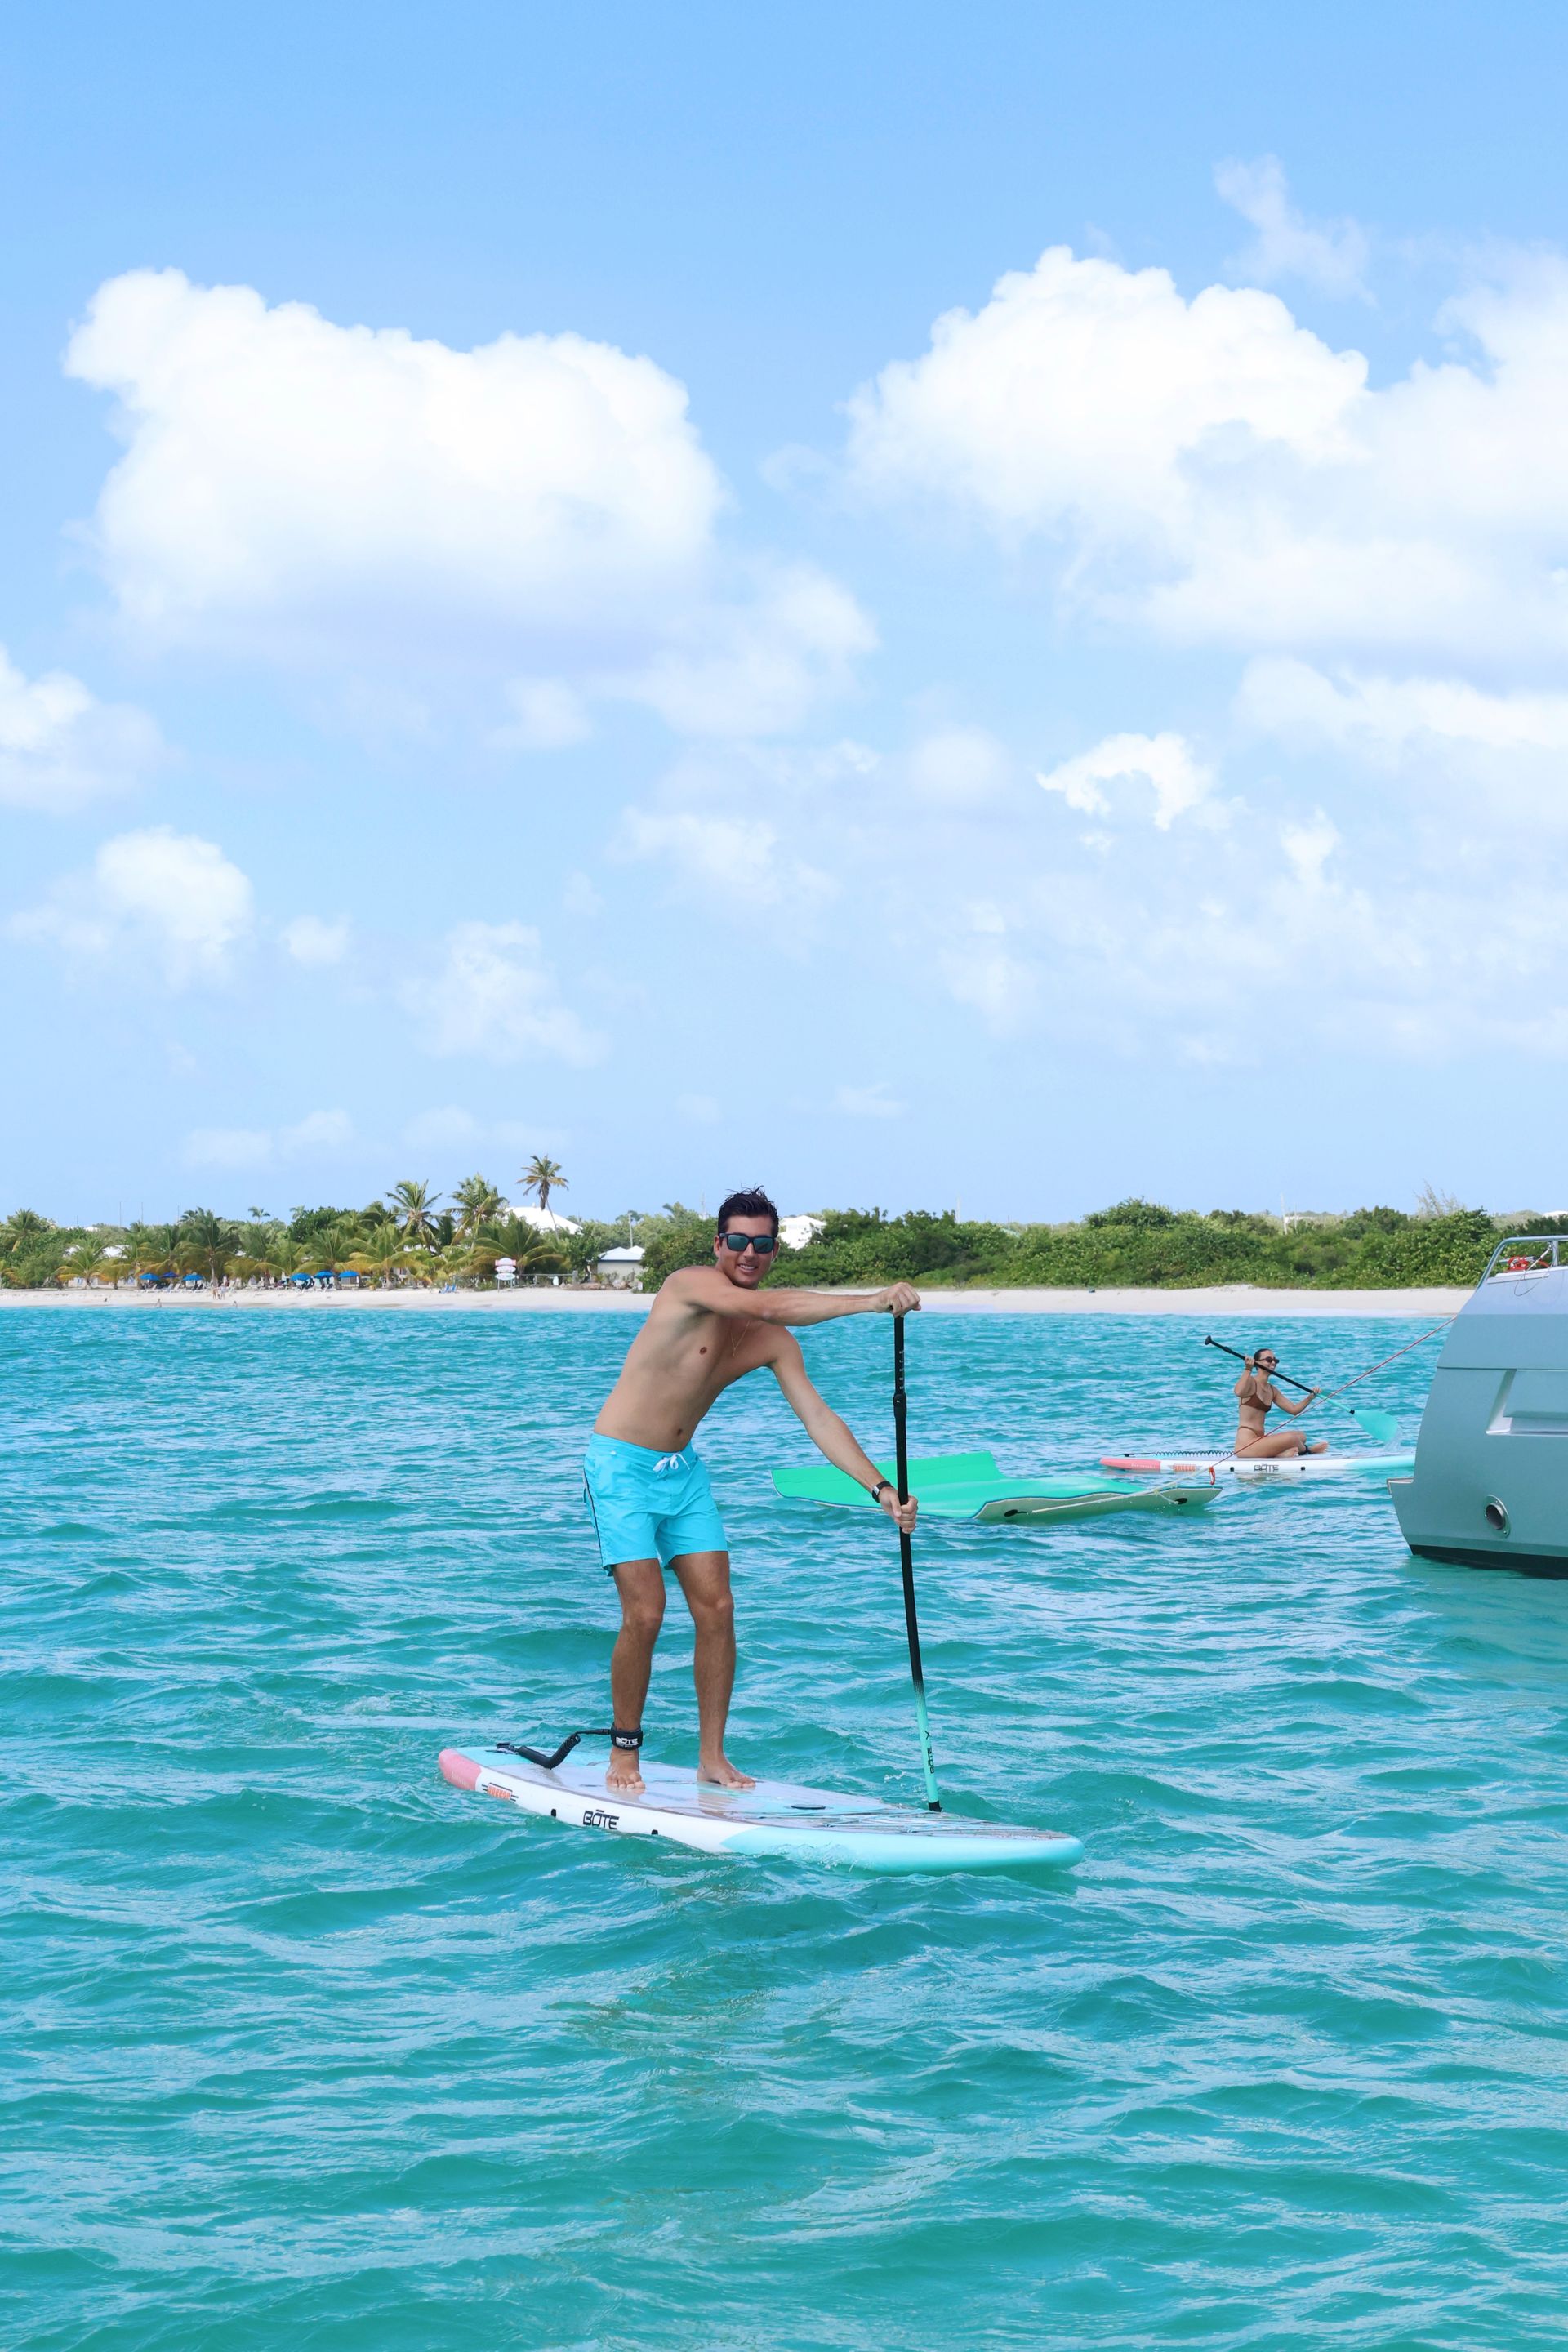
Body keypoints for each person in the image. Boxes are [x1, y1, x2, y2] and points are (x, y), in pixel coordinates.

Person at [584, 1187, 920, 1796]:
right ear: (719, 1245)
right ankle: (624, 1749)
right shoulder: (688, 1287)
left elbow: (819, 1418)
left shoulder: (772, 1342)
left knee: (717, 1609)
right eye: (737, 1241)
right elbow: (771, 1306)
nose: (748, 1253)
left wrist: (881, 1488)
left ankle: (712, 1757)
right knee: (647, 1613)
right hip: (620, 1467)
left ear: (772, 1252)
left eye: (762, 1245)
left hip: (682, 1473)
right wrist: (871, 1302)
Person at [1233, 1347, 1327, 1459]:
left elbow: (1293, 1410)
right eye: (1269, 1360)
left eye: (1275, 1360)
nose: (1273, 1363)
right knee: (1292, 1438)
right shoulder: (1251, 1382)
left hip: (1260, 1440)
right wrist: (1248, 1369)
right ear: (1257, 1363)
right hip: (1245, 1445)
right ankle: (1309, 1450)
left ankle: (1279, 1454)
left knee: (1301, 1436)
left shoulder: (1272, 1390)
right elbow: (1238, 1391)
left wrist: (1310, 1397)